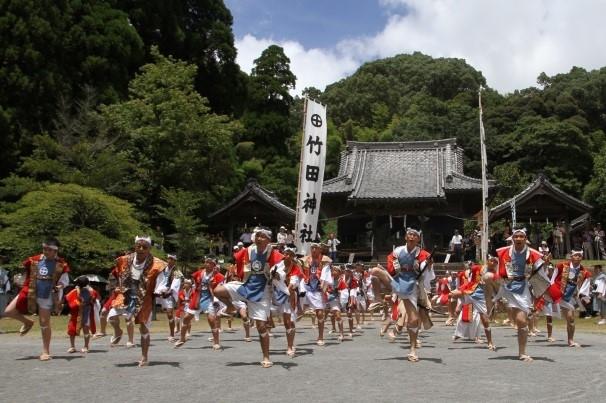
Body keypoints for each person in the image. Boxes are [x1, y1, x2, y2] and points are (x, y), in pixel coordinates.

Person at [214, 227, 283, 368]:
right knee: (217, 290)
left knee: (261, 326)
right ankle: (230, 306)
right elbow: (237, 260)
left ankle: (266, 357)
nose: (258, 238)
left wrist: (277, 275)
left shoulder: (273, 253)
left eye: (262, 236)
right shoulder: (249, 250)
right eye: (257, 236)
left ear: (269, 240)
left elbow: (281, 271)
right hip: (246, 287)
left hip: (262, 292)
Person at [369, 228, 434, 362]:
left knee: (413, 320)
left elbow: (426, 271)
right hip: (397, 282)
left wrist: (427, 265)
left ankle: (412, 350)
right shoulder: (398, 251)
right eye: (409, 234)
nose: (411, 237)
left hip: (412, 287)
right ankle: (377, 299)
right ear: (405, 237)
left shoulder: (422, 254)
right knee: (375, 270)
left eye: (415, 235)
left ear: (418, 239)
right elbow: (391, 268)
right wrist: (394, 268)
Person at [3, 238, 70, 361]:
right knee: (8, 311)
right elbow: (25, 273)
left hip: (47, 294)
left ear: (56, 250)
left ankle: (46, 351)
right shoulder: (34, 260)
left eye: (49, 249)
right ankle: (28, 322)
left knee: (44, 323)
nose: (46, 251)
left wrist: (59, 286)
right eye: (44, 248)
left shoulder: (61, 264)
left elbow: (65, 282)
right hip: (30, 291)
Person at [107, 236, 166, 367]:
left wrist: (161, 290)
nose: (140, 249)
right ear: (134, 247)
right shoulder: (125, 259)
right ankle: (118, 331)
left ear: (149, 249)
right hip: (126, 294)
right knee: (111, 316)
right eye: (138, 246)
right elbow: (114, 274)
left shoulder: (157, 264)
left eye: (144, 247)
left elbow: (162, 281)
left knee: (143, 328)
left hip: (144, 298)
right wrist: (114, 285)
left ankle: (144, 357)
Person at [494, 227, 545, 362]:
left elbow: (540, 273)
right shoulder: (503, 252)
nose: (518, 239)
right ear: (512, 239)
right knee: (487, 277)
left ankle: (522, 352)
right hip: (508, 286)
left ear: (525, 239)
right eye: (516, 237)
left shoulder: (533, 253)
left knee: (522, 322)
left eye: (521, 237)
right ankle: (494, 304)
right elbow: (499, 270)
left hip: (523, 288)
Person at [449, 260, 496, 350]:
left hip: (481, 297)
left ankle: (490, 342)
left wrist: (494, 298)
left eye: (495, 262)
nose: (493, 263)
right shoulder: (477, 268)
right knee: (451, 295)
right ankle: (451, 316)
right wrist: (460, 290)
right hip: (469, 291)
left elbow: (494, 287)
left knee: (485, 320)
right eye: (492, 261)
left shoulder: (495, 274)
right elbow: (469, 282)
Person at [551, 249, 592, 347]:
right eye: (575, 255)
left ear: (581, 258)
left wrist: (584, 297)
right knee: (538, 310)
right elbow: (552, 279)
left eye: (579, 256)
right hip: (557, 294)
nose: (577, 257)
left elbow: (585, 286)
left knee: (571, 319)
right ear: (571, 256)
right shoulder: (562, 266)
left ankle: (570, 340)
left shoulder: (584, 272)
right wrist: (552, 290)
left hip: (568, 298)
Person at [271, 246, 303, 357]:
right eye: (286, 253)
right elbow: (270, 277)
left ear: (293, 256)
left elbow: (292, 284)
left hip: (288, 296)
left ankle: (290, 346)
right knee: (265, 313)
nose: (287, 256)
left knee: (288, 322)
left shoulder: (295, 268)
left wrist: (286, 292)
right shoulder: (277, 265)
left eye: (290, 254)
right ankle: (270, 323)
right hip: (274, 293)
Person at [301, 243, 333, 346]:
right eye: (312, 248)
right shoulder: (305, 259)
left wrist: (323, 286)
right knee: (297, 311)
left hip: (318, 289)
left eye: (316, 248)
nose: (314, 250)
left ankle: (320, 336)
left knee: (320, 313)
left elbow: (326, 275)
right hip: (306, 286)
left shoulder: (325, 260)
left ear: (320, 250)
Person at [65, 275, 100, 354]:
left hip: (80, 313)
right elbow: (94, 299)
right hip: (81, 313)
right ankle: (83, 347)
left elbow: (68, 299)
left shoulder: (78, 291)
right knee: (81, 329)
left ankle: (74, 346)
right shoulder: (90, 291)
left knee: (75, 329)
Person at [154, 254, 183, 342]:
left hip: (168, 293)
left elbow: (178, 282)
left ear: (175, 261)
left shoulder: (176, 271)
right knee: (148, 308)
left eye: (172, 259)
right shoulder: (162, 268)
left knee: (170, 314)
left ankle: (172, 335)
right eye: (169, 259)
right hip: (158, 291)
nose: (169, 260)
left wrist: (169, 291)